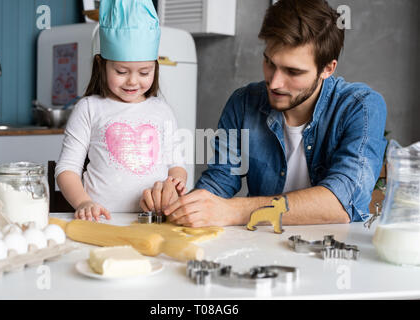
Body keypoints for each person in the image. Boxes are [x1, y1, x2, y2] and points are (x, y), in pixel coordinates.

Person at [144, 0, 387, 227]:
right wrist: (179, 204)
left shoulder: (361, 107)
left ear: (327, 69)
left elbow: (342, 202)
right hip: (263, 249)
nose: (274, 83)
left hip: (337, 257)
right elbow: (219, 183)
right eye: (270, 62)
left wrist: (236, 211)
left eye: (293, 71)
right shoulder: (243, 102)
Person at [55, 0, 187, 221]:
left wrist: (174, 184)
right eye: (121, 71)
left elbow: (176, 167)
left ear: (155, 66)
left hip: (152, 222)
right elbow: (66, 169)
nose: (133, 81)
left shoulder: (162, 111)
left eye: (144, 72)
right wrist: (84, 202)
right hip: (102, 222)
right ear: (102, 64)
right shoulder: (89, 108)